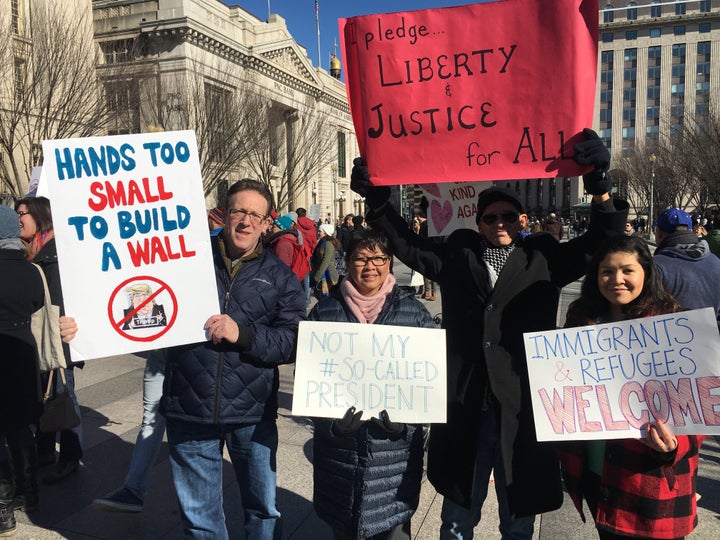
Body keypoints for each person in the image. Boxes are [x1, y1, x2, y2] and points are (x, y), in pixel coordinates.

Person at [351, 128, 629, 539]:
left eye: (507, 217)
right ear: (479, 223)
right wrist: (378, 203)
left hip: (521, 405)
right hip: (468, 406)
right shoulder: (458, 253)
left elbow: (600, 243)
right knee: (458, 518)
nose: (499, 223)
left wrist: (600, 188)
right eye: (490, 217)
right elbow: (408, 246)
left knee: (517, 519)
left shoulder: (543, 257)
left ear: (521, 221)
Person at [160, 178, 305, 539]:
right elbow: (140, 296)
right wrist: (85, 327)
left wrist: (244, 334)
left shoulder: (282, 277)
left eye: (256, 215)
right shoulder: (183, 260)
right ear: (224, 214)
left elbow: (293, 341)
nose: (246, 222)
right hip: (189, 408)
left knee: (263, 511)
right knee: (199, 518)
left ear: (267, 223)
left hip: (251, 414)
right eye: (239, 211)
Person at [560, 234, 703, 539]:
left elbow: (699, 410)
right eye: (607, 271)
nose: (617, 279)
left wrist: (673, 448)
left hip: (648, 479)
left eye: (627, 270)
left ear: (646, 274)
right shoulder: (581, 320)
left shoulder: (674, 324)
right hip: (597, 473)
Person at [309, 228, 433, 539]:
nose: (370, 266)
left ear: (389, 262)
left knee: (394, 530)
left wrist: (406, 426)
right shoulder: (324, 312)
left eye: (378, 258)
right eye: (361, 258)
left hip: (393, 458)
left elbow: (429, 384)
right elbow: (309, 384)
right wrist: (332, 427)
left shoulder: (415, 313)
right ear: (346, 263)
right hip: (341, 455)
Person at [15, 196, 83, 485]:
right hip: (42, 337)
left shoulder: (55, 253)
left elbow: (60, 300)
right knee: (45, 394)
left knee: (63, 393)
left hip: (59, 337)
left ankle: (71, 455)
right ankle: (44, 452)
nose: (19, 219)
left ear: (39, 216)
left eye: (23, 213)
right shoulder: (35, 250)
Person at [0, 204, 44, 535]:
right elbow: (37, 304)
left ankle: (3, 512)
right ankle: (29, 493)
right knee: (19, 427)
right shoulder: (31, 271)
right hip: (23, 355)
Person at [653, 208, 720, 324]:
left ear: (658, 233)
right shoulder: (716, 262)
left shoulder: (655, 266)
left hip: (673, 338)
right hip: (712, 338)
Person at [310, 223, 341, 299]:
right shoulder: (320, 243)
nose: (318, 233)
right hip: (319, 272)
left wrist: (317, 276)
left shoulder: (328, 244)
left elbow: (325, 261)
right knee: (319, 296)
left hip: (327, 275)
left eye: (320, 231)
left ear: (325, 232)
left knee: (325, 297)